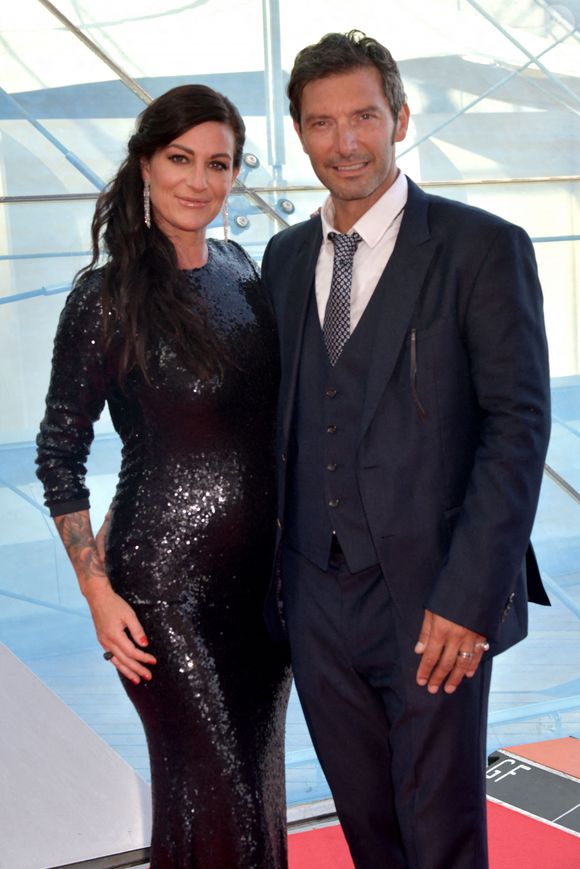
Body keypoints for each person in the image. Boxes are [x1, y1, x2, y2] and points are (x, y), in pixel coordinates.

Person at [261, 30, 551, 869]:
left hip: (435, 596)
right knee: (367, 824)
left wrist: (470, 596)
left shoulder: (480, 247)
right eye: (321, 123)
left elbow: (516, 427)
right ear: (300, 131)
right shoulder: (282, 260)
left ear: (400, 117)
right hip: (314, 596)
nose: (344, 141)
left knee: (441, 828)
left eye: (362, 116)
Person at [36, 84, 291, 868]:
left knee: (246, 797)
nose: (198, 180)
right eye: (180, 158)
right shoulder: (106, 298)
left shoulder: (244, 269)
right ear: (145, 164)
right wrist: (97, 592)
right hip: (160, 593)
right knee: (225, 808)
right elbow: (59, 454)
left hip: (262, 596)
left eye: (219, 163)